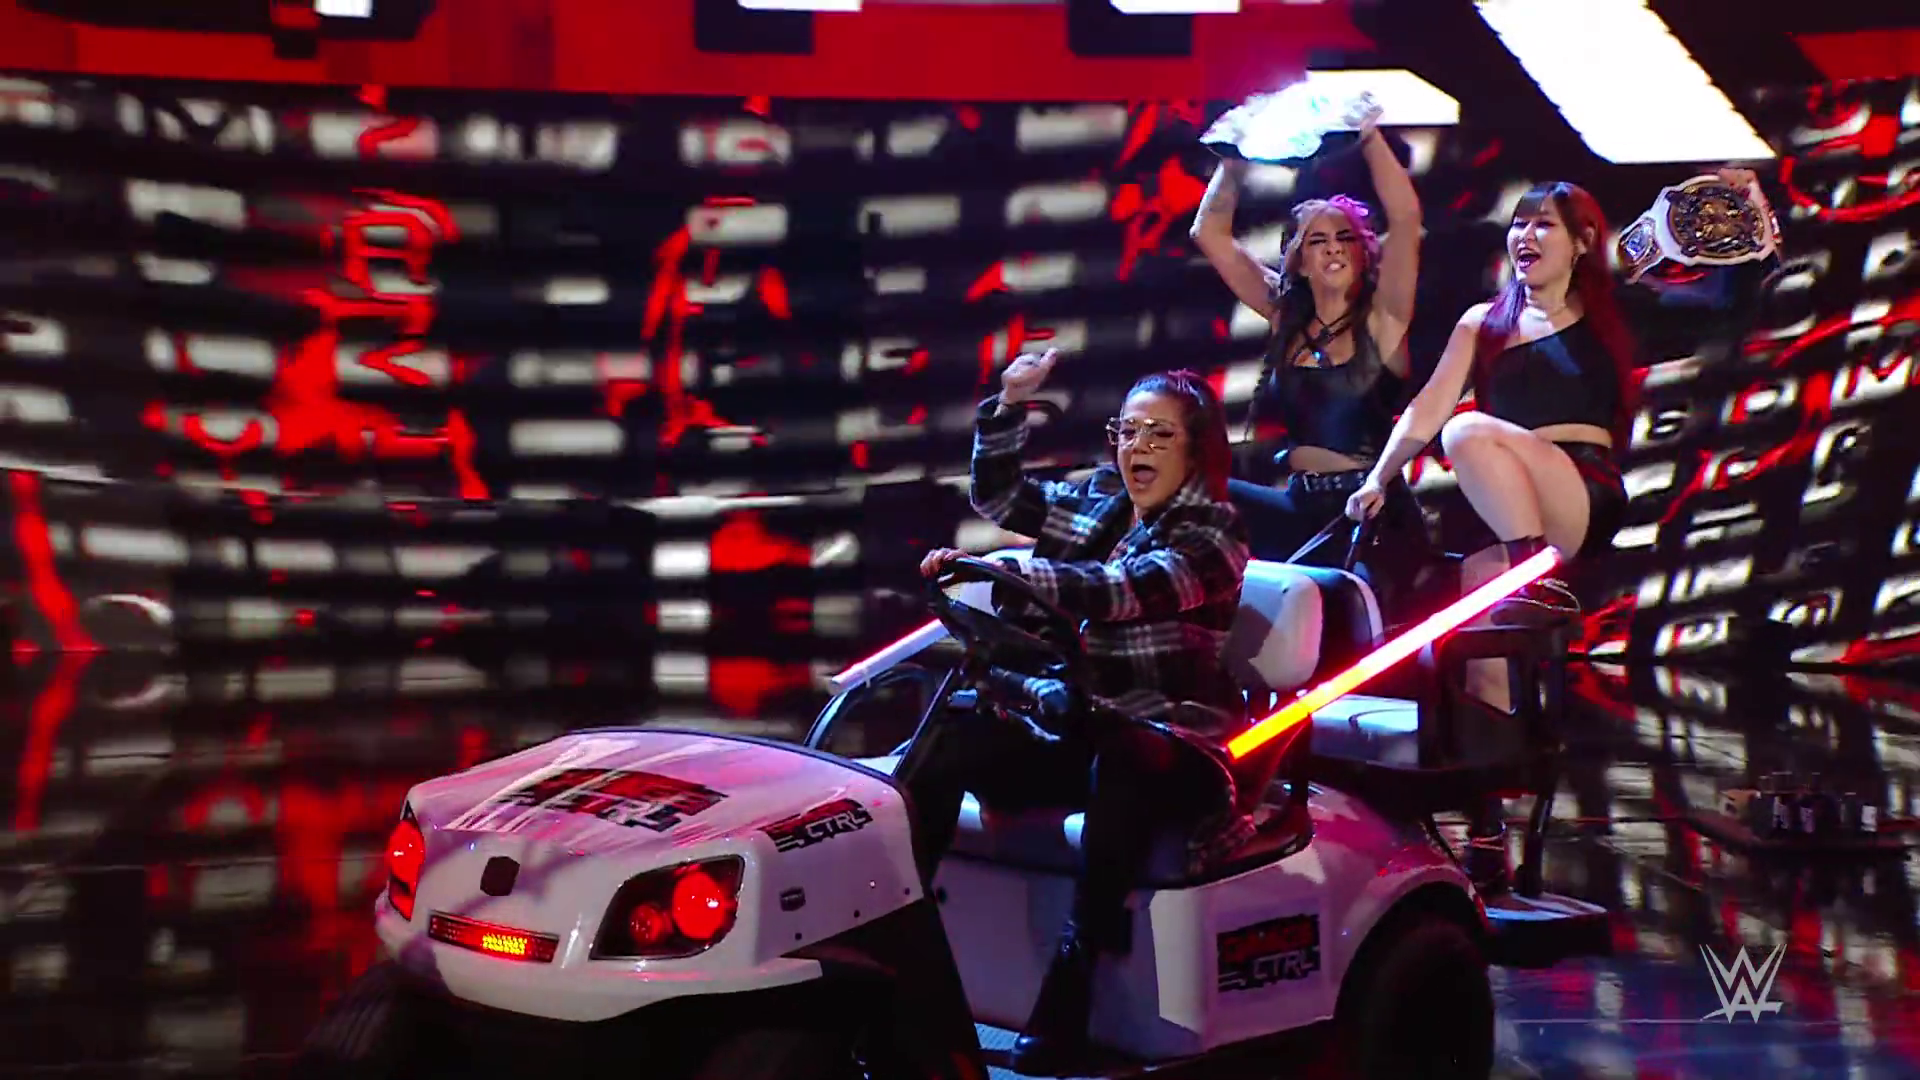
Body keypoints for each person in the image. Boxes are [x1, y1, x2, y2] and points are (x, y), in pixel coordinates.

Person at [1344, 169, 1772, 890]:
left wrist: (1752, 217)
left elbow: (1730, 306)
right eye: (1519, 222)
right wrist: (1377, 478)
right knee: (1475, 646)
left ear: (1581, 243)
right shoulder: (1483, 324)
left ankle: (1528, 574)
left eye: (1544, 223)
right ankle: (1489, 823)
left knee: (1469, 428)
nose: (1526, 235)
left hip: (1581, 492)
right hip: (1510, 508)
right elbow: (1423, 410)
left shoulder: (1615, 315)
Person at [911, 348, 1250, 1072]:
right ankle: (897, 947)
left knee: (1128, 754)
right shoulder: (1098, 499)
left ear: (1196, 448)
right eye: (1128, 431)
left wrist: (1022, 573)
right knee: (953, 736)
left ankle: (1075, 979)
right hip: (1079, 719)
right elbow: (999, 497)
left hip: (1173, 737)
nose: (1137, 448)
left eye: (1159, 433)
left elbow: (1120, 590)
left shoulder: (1214, 534)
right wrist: (1010, 404)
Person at [1189, 108, 1427, 606]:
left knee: (1347, 614)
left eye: (1345, 238)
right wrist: (1234, 158)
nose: (1333, 249)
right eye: (1317, 240)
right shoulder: (1286, 316)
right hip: (1299, 505)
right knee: (1188, 492)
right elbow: (1209, 233)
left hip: (1370, 511)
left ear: (1364, 252)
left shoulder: (1384, 319)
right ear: (1298, 260)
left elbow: (1406, 220)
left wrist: (1368, 135)